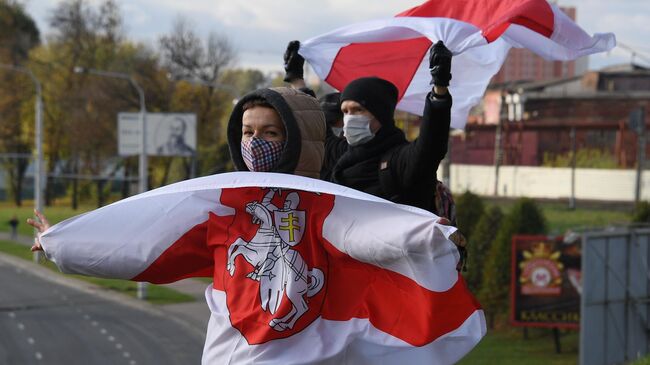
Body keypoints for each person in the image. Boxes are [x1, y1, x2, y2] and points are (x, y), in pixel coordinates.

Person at [284, 40, 454, 216]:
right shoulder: (342, 153)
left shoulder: (399, 160)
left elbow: (431, 145)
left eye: (358, 110)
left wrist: (439, 89)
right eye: (345, 111)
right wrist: (296, 79)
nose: (350, 118)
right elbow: (314, 124)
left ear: (380, 114)